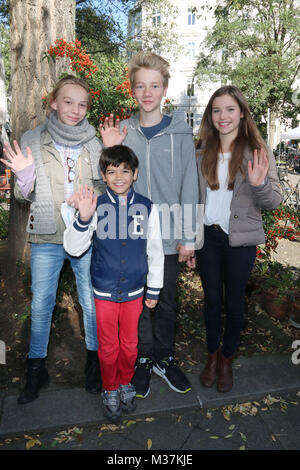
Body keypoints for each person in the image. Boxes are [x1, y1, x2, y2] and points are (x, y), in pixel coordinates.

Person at [99, 51, 199, 399]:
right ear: (132, 90)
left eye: (154, 85)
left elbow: (190, 185)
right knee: (139, 302)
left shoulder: (182, 132)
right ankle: (142, 359)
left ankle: (164, 357)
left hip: (171, 235)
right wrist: (109, 148)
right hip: (133, 237)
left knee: (167, 299)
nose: (147, 92)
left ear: (164, 89)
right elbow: (108, 183)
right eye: (140, 86)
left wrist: (189, 237)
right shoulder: (123, 133)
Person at [0, 75, 103, 404]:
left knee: (90, 303)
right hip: (45, 233)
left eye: (82, 104)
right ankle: (35, 368)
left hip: (84, 234)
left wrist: (90, 202)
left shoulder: (93, 141)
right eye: (68, 102)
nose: (75, 110)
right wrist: (25, 178)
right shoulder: (32, 137)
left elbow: (104, 186)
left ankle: (94, 364)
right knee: (42, 304)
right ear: (54, 103)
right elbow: (20, 195)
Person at [63, 145, 164, 423]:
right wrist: (83, 219)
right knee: (108, 345)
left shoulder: (146, 206)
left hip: (134, 289)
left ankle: (124, 382)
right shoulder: (95, 205)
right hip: (104, 289)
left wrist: (154, 287)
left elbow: (154, 249)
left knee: (130, 345)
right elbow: (73, 247)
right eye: (111, 171)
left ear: (135, 174)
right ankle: (109, 389)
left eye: (125, 171)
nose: (118, 177)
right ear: (103, 176)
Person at [195, 85, 282, 393]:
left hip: (240, 243)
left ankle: (227, 359)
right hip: (207, 238)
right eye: (216, 110)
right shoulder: (202, 151)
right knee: (212, 302)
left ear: (242, 112)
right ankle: (211, 356)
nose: (223, 116)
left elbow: (273, 201)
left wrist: (258, 184)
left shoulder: (258, 151)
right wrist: (188, 239)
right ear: (210, 115)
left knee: (234, 304)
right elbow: (192, 199)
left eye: (230, 109)